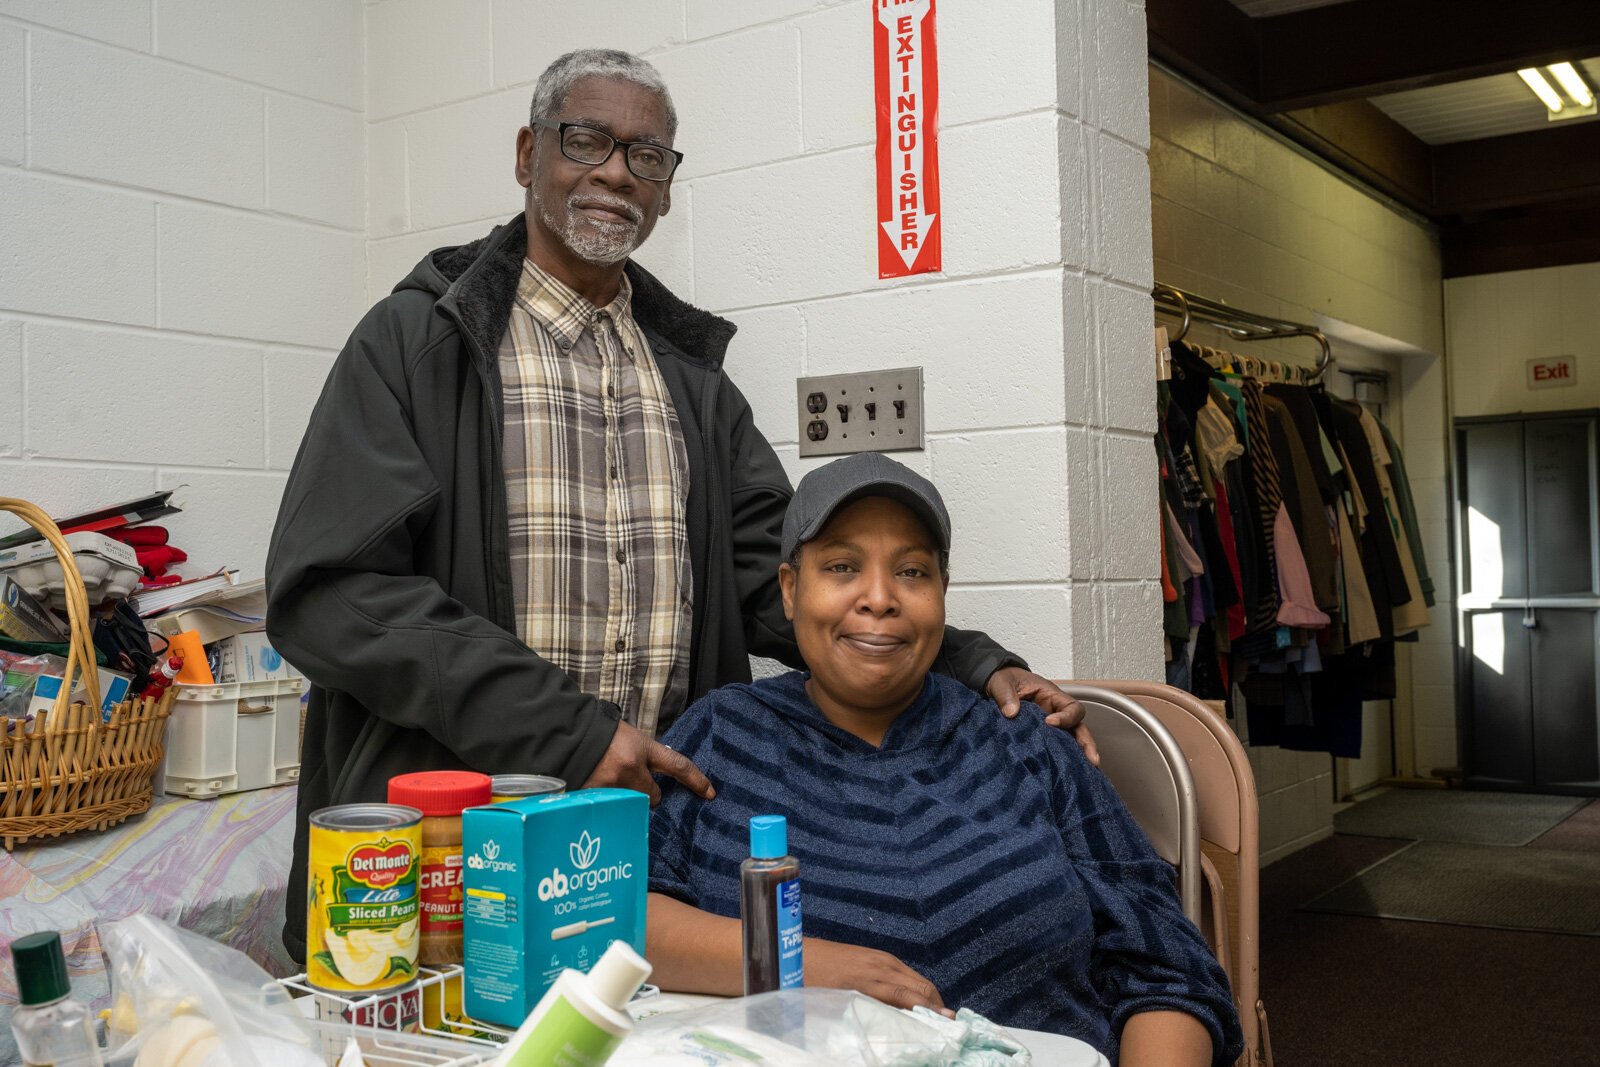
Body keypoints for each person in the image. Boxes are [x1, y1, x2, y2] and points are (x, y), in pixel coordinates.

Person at [266, 48, 1090, 964]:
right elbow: (329, 591)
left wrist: (970, 662)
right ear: (528, 152)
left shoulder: (690, 381)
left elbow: (782, 579)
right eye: (587, 141)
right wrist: (567, 731)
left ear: (665, 188)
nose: (617, 171)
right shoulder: (419, 342)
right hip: (446, 864)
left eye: (647, 156)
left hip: (647, 861)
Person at [646, 453, 1244, 1066]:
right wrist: (802, 963)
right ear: (791, 590)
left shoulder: (1025, 742)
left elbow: (1169, 970)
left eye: (911, 572)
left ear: (942, 593)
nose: (879, 598)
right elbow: (615, 916)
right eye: (842, 566)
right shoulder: (724, 735)